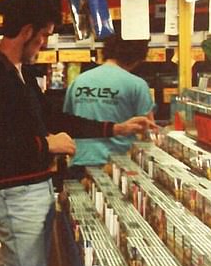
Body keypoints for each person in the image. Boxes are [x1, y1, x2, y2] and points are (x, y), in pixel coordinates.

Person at [0, 0, 154, 266]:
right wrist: (46, 145)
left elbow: (52, 118)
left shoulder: (21, 73)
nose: (44, 44)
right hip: (16, 197)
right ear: (27, 31)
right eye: (43, 36)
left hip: (29, 194)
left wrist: (114, 128)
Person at [63, 35, 155, 180]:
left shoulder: (78, 81)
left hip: (79, 163)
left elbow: (67, 123)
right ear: (138, 56)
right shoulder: (137, 85)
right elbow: (148, 130)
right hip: (116, 167)